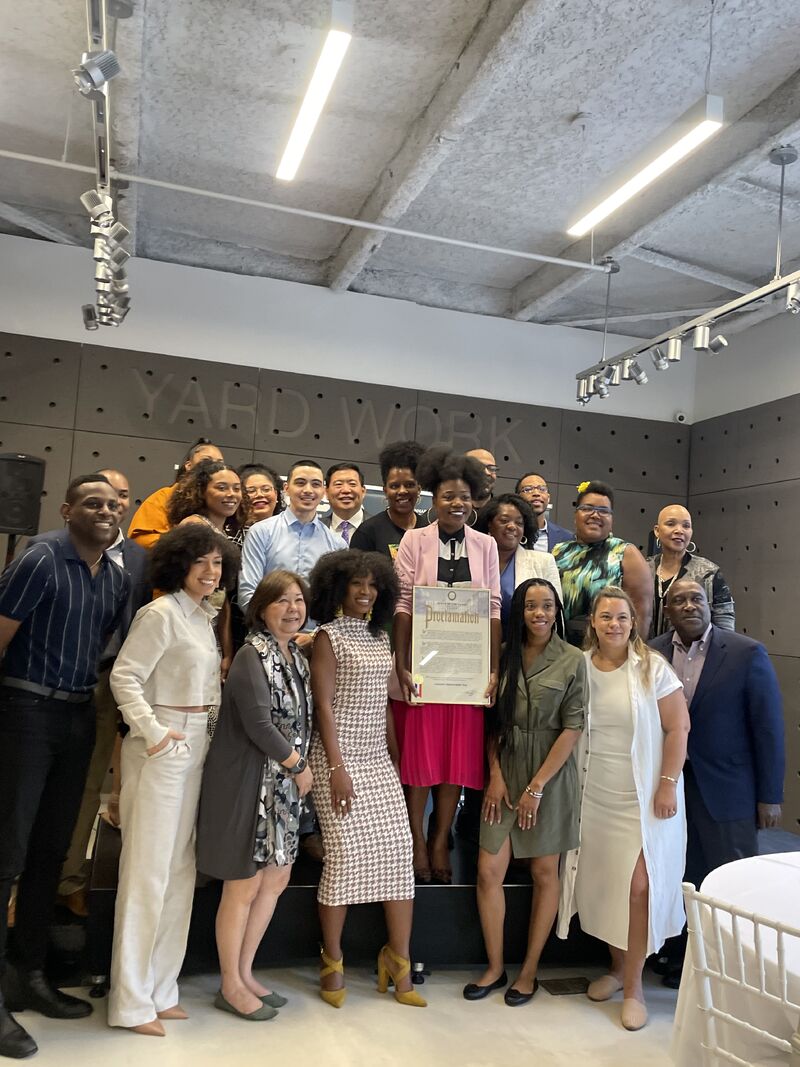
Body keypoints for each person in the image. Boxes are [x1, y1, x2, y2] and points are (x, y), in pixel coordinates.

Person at [0, 475, 130, 1060]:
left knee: (51, 852)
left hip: (79, 715)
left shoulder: (118, 575)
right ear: (68, 510)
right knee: (7, 854)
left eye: (114, 503)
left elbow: (100, 645)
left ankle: (26, 976)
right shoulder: (40, 559)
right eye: (94, 503)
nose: (107, 510)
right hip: (24, 710)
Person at [108, 525, 238, 1036]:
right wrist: (156, 734)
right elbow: (124, 677)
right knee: (147, 874)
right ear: (178, 564)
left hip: (197, 745)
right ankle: (131, 1002)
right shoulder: (160, 614)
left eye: (218, 564)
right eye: (201, 562)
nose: (210, 572)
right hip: (163, 748)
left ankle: (162, 989)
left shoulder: (203, 618)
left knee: (180, 870)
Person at [558, 586, 689, 1032]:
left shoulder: (652, 667)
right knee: (605, 888)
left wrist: (667, 784)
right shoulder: (580, 667)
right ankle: (616, 969)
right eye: (606, 617)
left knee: (637, 888)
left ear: (635, 623)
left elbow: (679, 727)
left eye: (623, 617)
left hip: (644, 799)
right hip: (594, 797)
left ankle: (633, 987)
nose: (614, 624)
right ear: (592, 622)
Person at [650, 579, 784, 986]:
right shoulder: (652, 654)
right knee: (680, 873)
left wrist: (770, 796)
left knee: (728, 877)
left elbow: (769, 729)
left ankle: (732, 965)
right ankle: (682, 957)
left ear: (709, 606)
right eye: (679, 601)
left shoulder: (746, 653)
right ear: (667, 610)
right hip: (670, 786)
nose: (689, 606)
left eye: (697, 599)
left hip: (730, 791)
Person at [307, 551, 423, 1009]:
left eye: (373, 585)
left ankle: (399, 959)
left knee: (398, 856)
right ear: (338, 588)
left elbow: (385, 705)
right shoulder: (326, 637)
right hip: (338, 759)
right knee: (344, 856)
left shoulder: (382, 637)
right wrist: (336, 769)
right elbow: (324, 707)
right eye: (357, 584)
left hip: (377, 759)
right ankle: (331, 960)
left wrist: (394, 760)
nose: (365, 592)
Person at [196, 571, 313, 1021]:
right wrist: (299, 766)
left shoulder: (295, 655)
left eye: (298, 600)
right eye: (281, 601)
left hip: (283, 786)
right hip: (250, 782)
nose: (292, 608)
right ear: (261, 609)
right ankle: (229, 983)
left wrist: (296, 771)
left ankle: (246, 973)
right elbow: (258, 724)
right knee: (243, 883)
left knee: (276, 879)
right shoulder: (252, 654)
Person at [465, 579, 586, 1006]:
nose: (539, 613)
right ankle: (496, 967)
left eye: (547, 606)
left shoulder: (573, 660)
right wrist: (495, 774)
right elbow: (492, 723)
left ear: (557, 611)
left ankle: (530, 971)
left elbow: (573, 728)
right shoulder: (503, 657)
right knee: (487, 870)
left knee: (542, 872)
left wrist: (537, 787)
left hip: (550, 777)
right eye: (531, 606)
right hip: (506, 769)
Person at [393, 446, 501, 884]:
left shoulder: (487, 544)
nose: (457, 503)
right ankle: (417, 840)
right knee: (420, 759)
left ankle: (441, 839)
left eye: (464, 496)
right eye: (447, 496)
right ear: (433, 500)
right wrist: (402, 662)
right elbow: (402, 602)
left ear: (474, 499)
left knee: (455, 759)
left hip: (466, 674)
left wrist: (492, 669)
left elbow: (493, 605)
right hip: (423, 669)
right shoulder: (413, 540)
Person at [52, 468, 150, 918]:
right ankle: (23, 885)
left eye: (122, 498)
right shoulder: (52, 551)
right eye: (102, 499)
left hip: (108, 683)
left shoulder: (139, 558)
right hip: (50, 680)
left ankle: (68, 879)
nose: (112, 506)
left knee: (88, 786)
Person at [553, 480, 653, 647]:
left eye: (603, 511)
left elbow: (642, 614)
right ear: (575, 515)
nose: (595, 515)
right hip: (562, 652)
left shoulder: (626, 554)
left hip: (609, 653)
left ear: (611, 518)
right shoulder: (558, 552)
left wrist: (630, 656)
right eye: (587, 508)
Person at [238, 460, 346, 612]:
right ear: (286, 488)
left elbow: (337, 602)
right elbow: (248, 592)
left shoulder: (338, 545)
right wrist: (277, 627)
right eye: (300, 483)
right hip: (267, 632)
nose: (308, 490)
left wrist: (313, 635)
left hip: (314, 634)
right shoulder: (261, 532)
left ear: (323, 491)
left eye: (315, 484)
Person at [475, 493, 562, 639]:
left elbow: (555, 616)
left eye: (519, 523)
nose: (512, 526)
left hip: (524, 650)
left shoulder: (543, 562)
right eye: (504, 520)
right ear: (489, 524)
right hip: (477, 645)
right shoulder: (472, 560)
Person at [646, 504, 735, 637]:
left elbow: (725, 626)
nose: (679, 530)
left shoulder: (709, 573)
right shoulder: (642, 569)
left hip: (694, 654)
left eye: (686, 526)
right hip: (644, 654)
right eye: (671, 524)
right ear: (657, 531)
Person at [128, 438, 224, 549]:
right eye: (207, 460)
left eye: (220, 463)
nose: (214, 467)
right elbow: (140, 541)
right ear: (188, 465)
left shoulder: (224, 501)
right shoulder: (164, 497)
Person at [350, 440, 428, 559]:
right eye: (394, 486)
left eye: (409, 485)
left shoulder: (429, 530)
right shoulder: (367, 533)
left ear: (419, 489)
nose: (402, 491)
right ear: (385, 491)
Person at [166, 460, 245, 546]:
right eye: (222, 488)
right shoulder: (194, 527)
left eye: (236, 489)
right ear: (201, 491)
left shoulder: (223, 529)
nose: (231, 494)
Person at [514, 472, 572, 551]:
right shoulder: (509, 532)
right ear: (517, 498)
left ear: (548, 498)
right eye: (528, 489)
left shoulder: (566, 538)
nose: (536, 493)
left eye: (542, 489)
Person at [322, 463, 367, 544]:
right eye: (338, 484)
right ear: (326, 492)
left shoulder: (379, 527)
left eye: (352, 484)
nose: (346, 490)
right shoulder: (316, 529)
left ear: (363, 492)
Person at [239, 464, 284, 528]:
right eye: (251, 491)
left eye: (266, 489)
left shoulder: (288, 529)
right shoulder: (228, 531)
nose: (259, 494)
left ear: (276, 494)